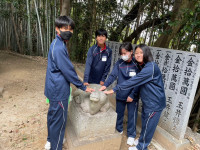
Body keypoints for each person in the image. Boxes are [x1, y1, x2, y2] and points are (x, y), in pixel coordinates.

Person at [44, 16, 94, 150]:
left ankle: (50, 140)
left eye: (71, 29)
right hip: (58, 89)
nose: (68, 31)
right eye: (65, 28)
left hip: (53, 86)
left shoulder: (58, 43)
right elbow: (68, 70)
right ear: (57, 28)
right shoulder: (59, 47)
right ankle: (56, 146)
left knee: (53, 116)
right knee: (59, 121)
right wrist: (82, 86)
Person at [104, 44, 166, 150]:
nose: (138, 55)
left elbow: (134, 81)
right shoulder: (143, 66)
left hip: (154, 102)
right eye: (137, 53)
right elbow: (114, 75)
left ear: (146, 53)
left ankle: (141, 147)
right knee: (145, 123)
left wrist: (114, 89)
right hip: (147, 101)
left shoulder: (150, 68)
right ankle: (142, 140)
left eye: (141, 53)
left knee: (148, 125)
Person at [99, 42, 139, 146]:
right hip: (121, 93)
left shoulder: (137, 64)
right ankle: (119, 128)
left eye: (125, 53)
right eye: (121, 54)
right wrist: (105, 85)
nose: (123, 56)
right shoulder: (120, 63)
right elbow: (113, 76)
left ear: (131, 52)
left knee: (132, 115)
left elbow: (139, 81)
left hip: (132, 95)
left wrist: (132, 95)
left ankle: (131, 134)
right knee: (119, 113)